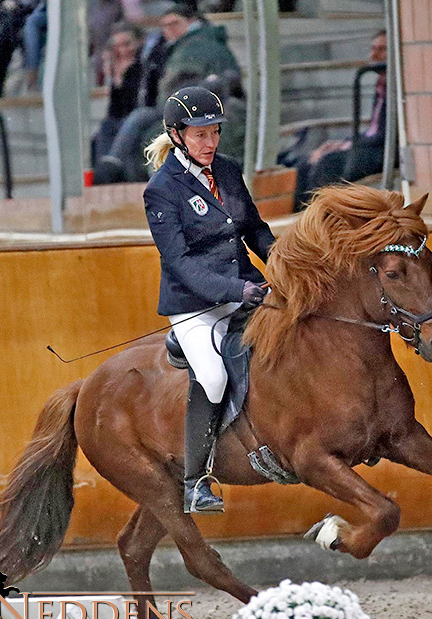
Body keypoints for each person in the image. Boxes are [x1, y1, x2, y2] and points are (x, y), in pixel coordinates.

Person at [143, 86, 275, 514]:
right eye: (200, 135)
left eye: (215, 133)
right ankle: (195, 482)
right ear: (177, 135)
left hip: (246, 287)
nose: (210, 143)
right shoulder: (162, 190)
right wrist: (235, 291)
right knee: (214, 377)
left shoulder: (229, 171)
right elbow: (179, 262)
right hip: (194, 304)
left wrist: (283, 261)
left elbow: (253, 228)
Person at [94, 0, 240, 183]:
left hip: (187, 109)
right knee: (111, 128)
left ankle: (112, 167)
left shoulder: (200, 46)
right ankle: (110, 167)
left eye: (174, 23)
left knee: (140, 121)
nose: (169, 30)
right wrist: (118, 82)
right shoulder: (169, 50)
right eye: (164, 26)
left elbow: (223, 79)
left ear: (192, 22)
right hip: (170, 107)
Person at [293, 29, 388, 210]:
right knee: (305, 163)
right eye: (373, 48)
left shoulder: (398, 87)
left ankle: (319, 215)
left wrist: (350, 145)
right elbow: (372, 130)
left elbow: (384, 134)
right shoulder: (380, 85)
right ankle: (298, 215)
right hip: (371, 144)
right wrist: (345, 142)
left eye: (382, 49)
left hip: (383, 150)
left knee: (328, 163)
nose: (374, 55)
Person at [92, 22, 142, 162]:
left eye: (127, 44)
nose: (123, 50)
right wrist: (117, 79)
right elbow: (114, 110)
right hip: (120, 119)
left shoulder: (144, 64)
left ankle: (111, 167)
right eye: (117, 46)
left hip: (139, 117)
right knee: (104, 128)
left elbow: (136, 102)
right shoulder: (116, 68)